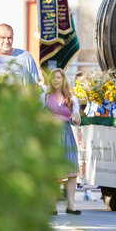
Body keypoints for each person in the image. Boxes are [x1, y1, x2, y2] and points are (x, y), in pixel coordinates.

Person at [41, 68, 82, 215]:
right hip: (51, 133)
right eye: (54, 78)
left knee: (72, 171)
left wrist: (76, 117)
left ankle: (71, 205)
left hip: (66, 133)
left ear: (63, 79)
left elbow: (76, 117)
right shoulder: (45, 96)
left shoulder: (71, 97)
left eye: (58, 77)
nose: (56, 80)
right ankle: (52, 205)